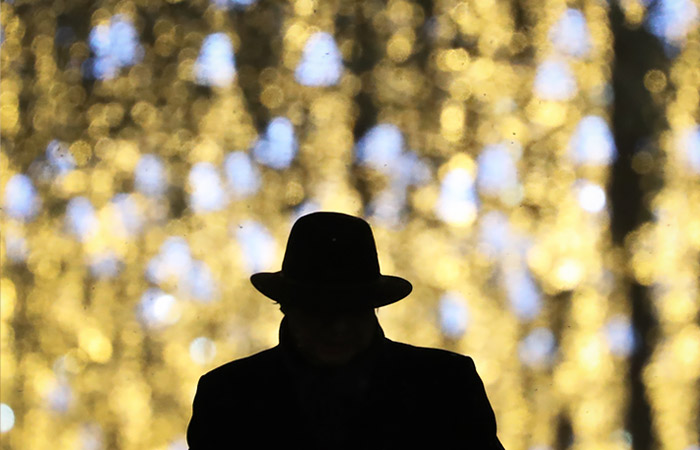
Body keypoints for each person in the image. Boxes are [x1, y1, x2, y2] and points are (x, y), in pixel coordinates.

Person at [186, 211, 505, 449]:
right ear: (287, 308)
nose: (337, 327)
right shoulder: (443, 384)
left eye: (351, 310)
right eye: (319, 310)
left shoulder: (229, 394)